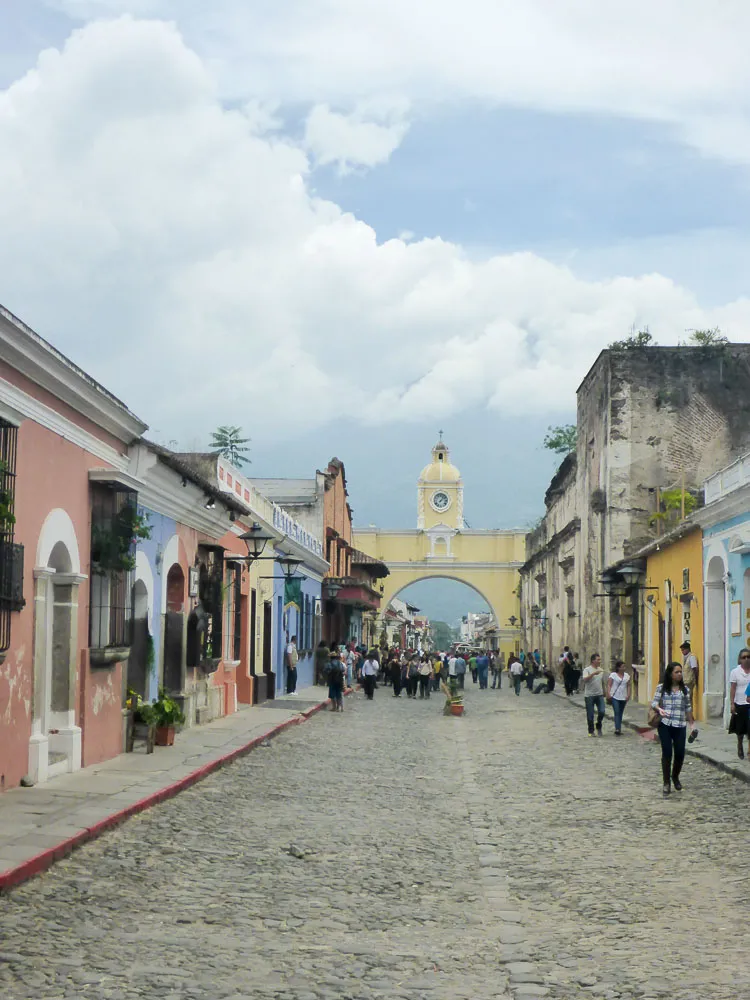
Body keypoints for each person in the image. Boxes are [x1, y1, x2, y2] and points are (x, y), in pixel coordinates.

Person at [652, 661, 695, 795]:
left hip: (680, 724)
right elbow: (654, 703)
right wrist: (660, 709)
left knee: (680, 753)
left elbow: (688, 708)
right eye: (676, 672)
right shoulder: (661, 688)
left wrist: (692, 726)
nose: (679, 674)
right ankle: (666, 782)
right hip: (665, 724)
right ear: (670, 674)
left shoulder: (685, 690)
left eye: (680, 672)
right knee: (667, 752)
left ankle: (675, 776)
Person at [729, 648, 750, 758]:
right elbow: (733, 688)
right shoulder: (735, 672)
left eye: (748, 657)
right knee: (740, 729)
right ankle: (740, 745)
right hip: (740, 703)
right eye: (744, 657)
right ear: (740, 659)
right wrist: (732, 703)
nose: (746, 659)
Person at [582, 653, 605, 737]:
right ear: (593, 660)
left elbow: (602, 682)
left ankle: (598, 725)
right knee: (590, 714)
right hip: (589, 695)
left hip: (599, 694)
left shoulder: (601, 670)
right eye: (598, 659)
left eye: (600, 659)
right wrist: (593, 674)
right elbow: (584, 679)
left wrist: (604, 691)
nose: (599, 661)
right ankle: (591, 731)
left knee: (602, 711)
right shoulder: (587, 670)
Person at [607, 660, 631, 736]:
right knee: (617, 712)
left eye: (624, 666)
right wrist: (608, 693)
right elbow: (609, 685)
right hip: (614, 696)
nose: (624, 668)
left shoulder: (627, 676)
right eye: (622, 666)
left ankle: (619, 728)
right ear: (618, 668)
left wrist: (628, 694)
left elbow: (628, 685)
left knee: (620, 712)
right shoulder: (613, 675)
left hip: (623, 697)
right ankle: (617, 729)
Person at [680, 641, 699, 706]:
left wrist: (695, 679)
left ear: (687, 649)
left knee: (688, 698)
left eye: (683, 650)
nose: (682, 652)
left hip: (689, 681)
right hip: (685, 681)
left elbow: (694, 668)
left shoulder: (692, 657)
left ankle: (689, 713)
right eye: (681, 650)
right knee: (686, 698)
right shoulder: (686, 658)